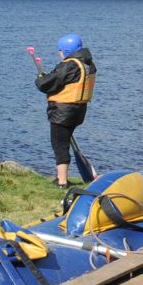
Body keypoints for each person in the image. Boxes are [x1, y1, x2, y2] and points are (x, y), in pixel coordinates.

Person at [34, 33, 95, 190]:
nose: (59, 54)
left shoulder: (69, 65)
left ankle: (62, 181)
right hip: (78, 111)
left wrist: (40, 78)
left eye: (60, 50)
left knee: (59, 145)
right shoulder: (88, 64)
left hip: (62, 113)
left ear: (67, 51)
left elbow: (47, 84)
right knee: (65, 141)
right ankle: (63, 177)